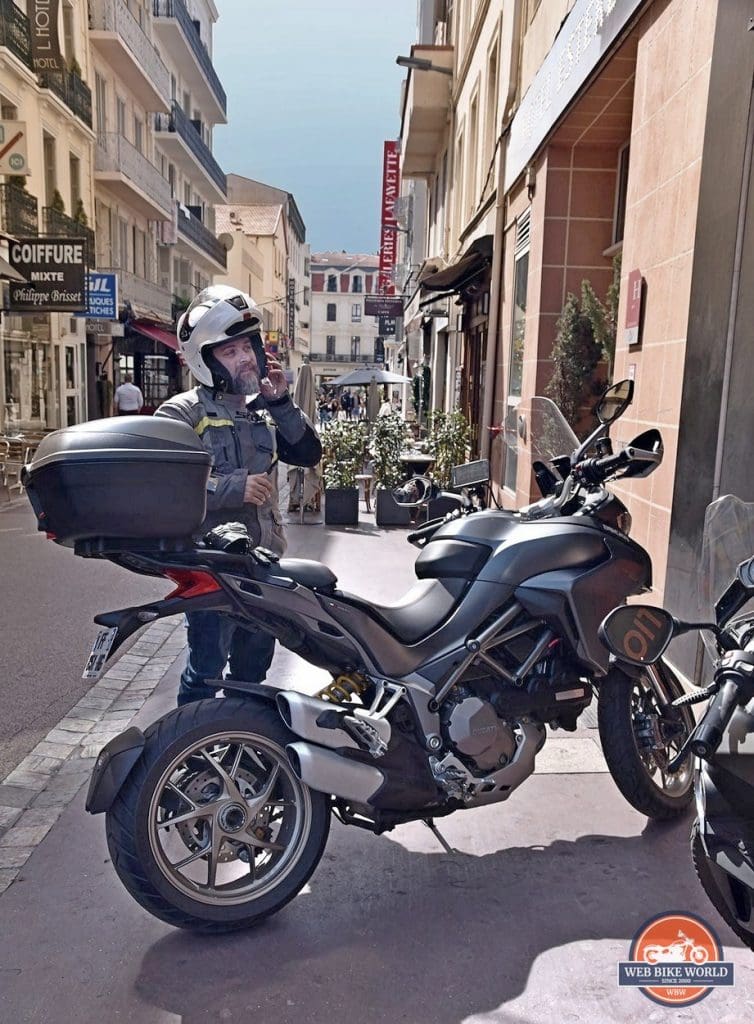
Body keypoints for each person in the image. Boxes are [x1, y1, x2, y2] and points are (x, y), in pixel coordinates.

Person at [155, 284, 321, 707]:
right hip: (211, 566)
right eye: (230, 351)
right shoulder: (181, 413)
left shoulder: (261, 409)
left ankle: (242, 746)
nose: (245, 356)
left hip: (262, 564)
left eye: (247, 345)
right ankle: (190, 749)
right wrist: (232, 488)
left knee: (254, 667)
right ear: (205, 360)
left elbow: (306, 452)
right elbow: (164, 485)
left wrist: (281, 401)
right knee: (206, 667)